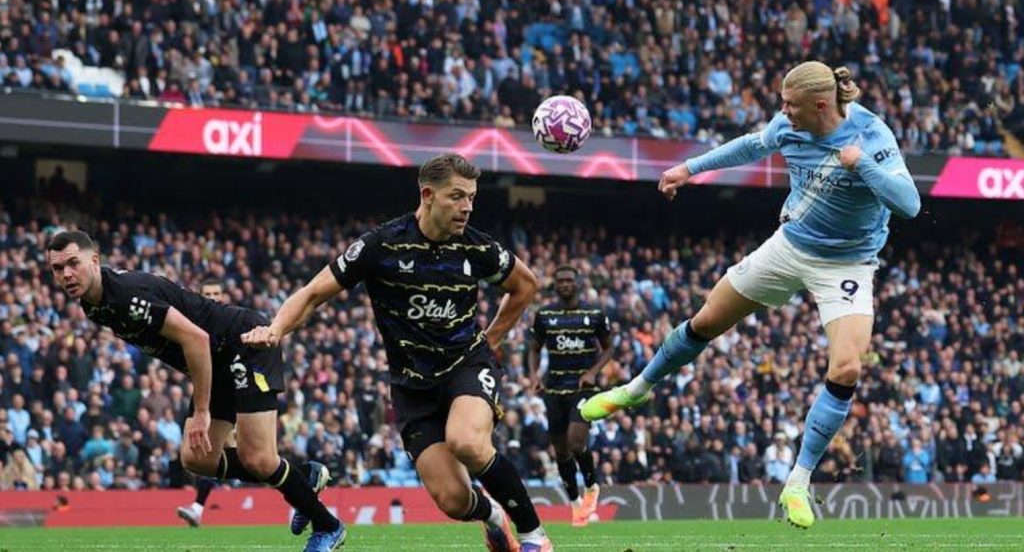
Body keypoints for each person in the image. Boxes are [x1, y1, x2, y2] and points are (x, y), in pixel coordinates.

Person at [580, 61, 921, 529]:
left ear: (821, 104)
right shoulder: (788, 126)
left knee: (847, 367)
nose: (784, 112)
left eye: (791, 105)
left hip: (847, 264)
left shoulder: (871, 135)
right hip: (789, 247)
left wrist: (861, 164)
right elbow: (750, 145)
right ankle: (636, 390)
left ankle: (797, 482)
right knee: (706, 322)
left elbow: (909, 204)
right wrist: (689, 168)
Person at [242, 153, 554, 551]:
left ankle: (534, 537)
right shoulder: (382, 244)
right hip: (412, 387)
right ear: (427, 195)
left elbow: (525, 285)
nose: (467, 207)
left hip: (466, 364)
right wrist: (276, 329)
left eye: (472, 197)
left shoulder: (476, 247)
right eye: (457, 196)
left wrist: (491, 340)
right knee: (453, 500)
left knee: (467, 441)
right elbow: (314, 293)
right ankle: (493, 516)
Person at [47, 231, 344, 552]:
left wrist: (202, 411)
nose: (66, 274)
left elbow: (196, 338)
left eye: (73, 263)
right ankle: (302, 477)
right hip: (216, 362)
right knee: (197, 458)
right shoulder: (92, 305)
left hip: (244, 344)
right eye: (58, 268)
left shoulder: (126, 296)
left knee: (257, 458)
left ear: (94, 260)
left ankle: (328, 527)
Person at [527, 265, 610, 526]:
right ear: (555, 285)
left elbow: (609, 348)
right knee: (561, 452)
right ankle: (575, 503)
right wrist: (534, 375)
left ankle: (591, 485)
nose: (564, 284)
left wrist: (593, 372)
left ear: (577, 283)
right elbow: (534, 348)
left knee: (576, 443)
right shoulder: (544, 315)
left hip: (583, 388)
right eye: (560, 280)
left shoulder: (594, 314)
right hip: (554, 389)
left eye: (569, 280)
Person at [175, 279, 231, 528]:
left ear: (223, 296)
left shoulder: (231, 321)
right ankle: (300, 487)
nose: (212, 298)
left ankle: (300, 485)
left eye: (216, 293)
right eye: (207, 294)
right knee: (208, 453)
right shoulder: (193, 326)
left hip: (233, 392)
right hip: (209, 395)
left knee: (252, 457)